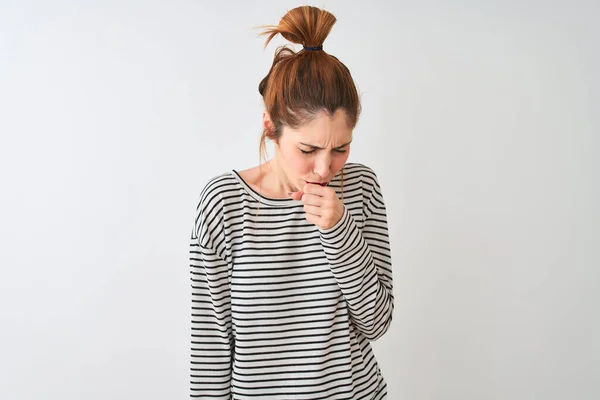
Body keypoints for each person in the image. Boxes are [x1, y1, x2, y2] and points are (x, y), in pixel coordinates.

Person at [189, 5, 394, 399]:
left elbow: (377, 322)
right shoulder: (224, 204)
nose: (324, 168)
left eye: (341, 148)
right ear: (270, 126)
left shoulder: (361, 188)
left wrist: (340, 231)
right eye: (308, 148)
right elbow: (211, 349)